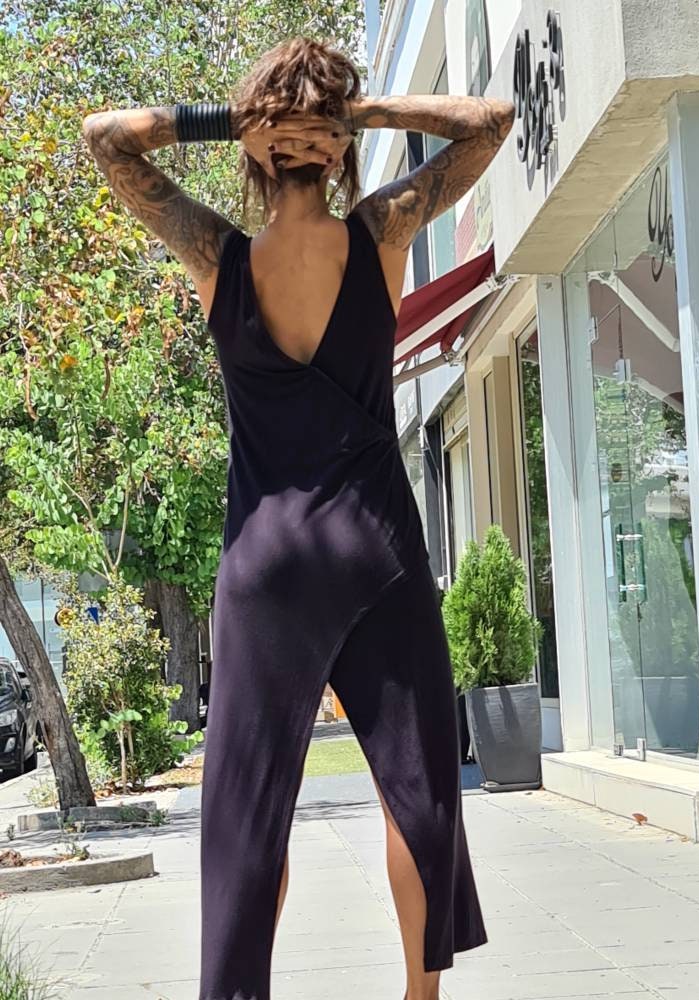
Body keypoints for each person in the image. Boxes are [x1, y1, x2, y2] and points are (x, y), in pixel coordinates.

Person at [83, 36, 515, 1000]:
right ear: (334, 146)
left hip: (266, 562)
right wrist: (360, 116)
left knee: (249, 813)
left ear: (259, 147)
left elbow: (105, 137)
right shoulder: (383, 231)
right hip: (377, 546)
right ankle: (422, 996)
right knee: (418, 794)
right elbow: (491, 123)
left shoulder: (220, 256)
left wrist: (231, 121)